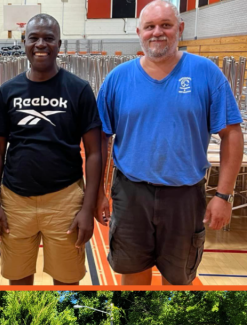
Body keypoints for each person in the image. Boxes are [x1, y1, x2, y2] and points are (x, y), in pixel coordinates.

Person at [96, 0, 244, 285]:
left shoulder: (206, 73)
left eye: (166, 25)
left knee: (178, 281)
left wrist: (224, 195)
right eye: (150, 26)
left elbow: (231, 134)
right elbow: (101, 137)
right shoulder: (118, 79)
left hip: (184, 196)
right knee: (132, 278)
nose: (157, 33)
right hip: (131, 194)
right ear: (138, 31)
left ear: (181, 29)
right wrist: (99, 193)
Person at [0, 13, 102, 285]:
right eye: (34, 38)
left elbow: (95, 152)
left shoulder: (79, 90)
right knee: (18, 282)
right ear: (23, 42)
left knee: (66, 281)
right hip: (15, 201)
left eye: (48, 38)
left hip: (65, 202)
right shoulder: (8, 91)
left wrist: (88, 207)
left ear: (59, 44)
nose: (41, 44)